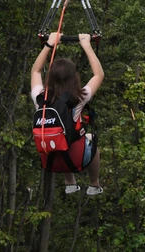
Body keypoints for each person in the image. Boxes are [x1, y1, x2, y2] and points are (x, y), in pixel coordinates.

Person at [30, 32, 104, 195]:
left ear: (50, 77)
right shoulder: (79, 97)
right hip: (76, 159)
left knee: (61, 134)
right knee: (90, 140)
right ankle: (94, 184)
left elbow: (35, 71)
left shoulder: (40, 98)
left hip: (48, 160)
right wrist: (87, 46)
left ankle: (69, 181)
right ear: (74, 78)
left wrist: (49, 45)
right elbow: (99, 75)